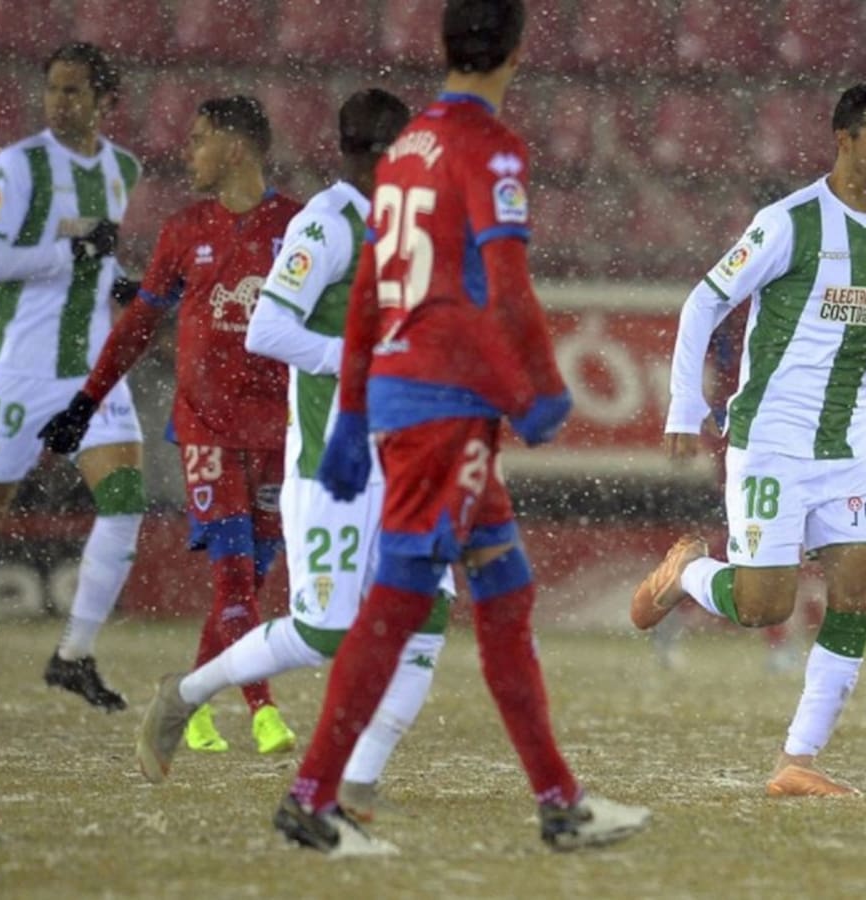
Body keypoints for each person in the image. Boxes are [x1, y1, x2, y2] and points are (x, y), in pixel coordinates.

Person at [271, 0, 651, 856]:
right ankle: (311, 795)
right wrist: (544, 391)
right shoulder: (489, 148)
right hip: (449, 407)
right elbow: (507, 282)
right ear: (516, 50)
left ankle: (560, 801)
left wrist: (354, 416)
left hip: (414, 398)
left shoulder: (403, 151)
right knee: (400, 600)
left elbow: (371, 283)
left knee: (507, 593)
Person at [633, 83, 866, 798]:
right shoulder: (789, 222)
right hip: (772, 441)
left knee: (857, 588)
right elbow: (706, 299)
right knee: (766, 605)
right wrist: (683, 406)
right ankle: (687, 574)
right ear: (844, 139)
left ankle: (798, 760)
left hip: (851, 446)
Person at [134, 89, 456, 811]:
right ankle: (185, 695)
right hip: (336, 468)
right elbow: (268, 330)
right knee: (323, 631)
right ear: (380, 153)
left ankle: (358, 781)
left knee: (427, 615)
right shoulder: (328, 224)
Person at [41, 96, 301, 754]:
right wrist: (86, 401)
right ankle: (263, 710)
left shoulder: (299, 228)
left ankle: (191, 698)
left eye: (199, 139)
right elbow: (138, 325)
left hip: (277, 433)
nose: (186, 152)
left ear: (236, 149)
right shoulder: (185, 229)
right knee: (235, 577)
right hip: (207, 426)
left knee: (255, 576)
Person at [0, 42, 145, 711]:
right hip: (16, 368)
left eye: (74, 91)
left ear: (106, 101)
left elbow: (96, 267)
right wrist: (72, 249)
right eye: (53, 89)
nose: (59, 102)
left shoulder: (123, 168)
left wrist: (130, 285)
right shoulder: (19, 165)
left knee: (125, 499)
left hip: (88, 370)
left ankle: (73, 654)